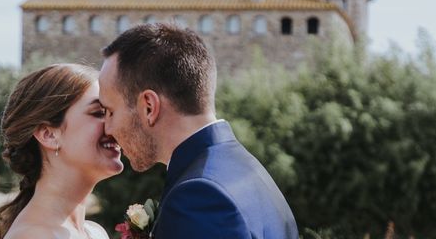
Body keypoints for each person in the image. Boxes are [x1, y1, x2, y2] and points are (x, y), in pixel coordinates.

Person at [98, 23, 299, 239]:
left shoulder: (198, 198)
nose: (107, 129)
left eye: (109, 111)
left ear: (149, 106)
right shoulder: (249, 170)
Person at [0, 64, 124, 239]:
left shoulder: (95, 232)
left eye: (112, 112)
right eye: (99, 113)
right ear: (49, 134)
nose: (115, 126)